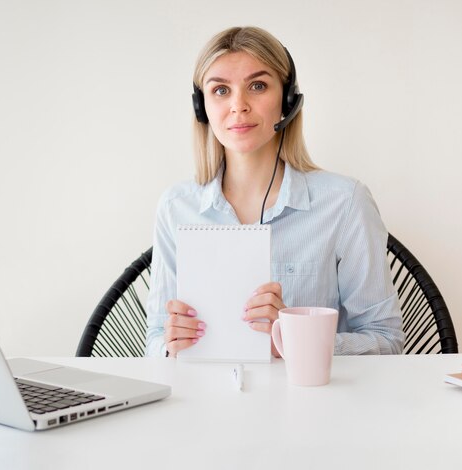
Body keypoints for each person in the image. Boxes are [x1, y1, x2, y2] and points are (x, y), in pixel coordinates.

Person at [145, 26, 404, 358]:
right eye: (221, 90)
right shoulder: (175, 206)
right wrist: (169, 347)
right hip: (206, 402)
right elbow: (154, 338)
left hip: (312, 404)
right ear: (202, 108)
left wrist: (294, 342)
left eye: (257, 86)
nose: (238, 105)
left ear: (288, 100)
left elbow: (387, 339)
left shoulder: (345, 202)